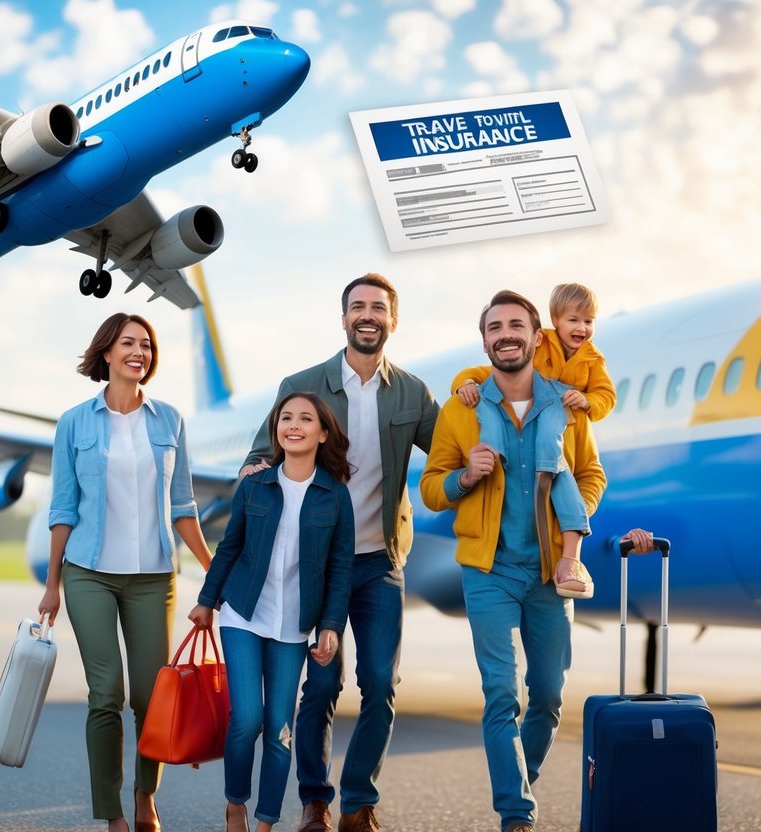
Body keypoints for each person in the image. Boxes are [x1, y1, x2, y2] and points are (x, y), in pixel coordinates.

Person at [240, 274, 439, 832]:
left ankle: (359, 802)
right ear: (344, 317)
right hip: (315, 566)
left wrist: (479, 396)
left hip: (380, 562)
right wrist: (258, 474)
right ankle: (315, 801)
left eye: (378, 307)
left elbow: (449, 451)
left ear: (392, 320)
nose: (368, 315)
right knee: (322, 685)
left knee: (380, 683)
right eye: (358, 307)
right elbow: (260, 456)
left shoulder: (413, 394)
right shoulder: (302, 385)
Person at [420, 290, 607, 832]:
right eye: (495, 327)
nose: (506, 334)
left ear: (535, 335)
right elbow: (432, 488)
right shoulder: (462, 408)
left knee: (547, 696)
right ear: (484, 341)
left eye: (516, 325)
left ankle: (518, 782)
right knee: (502, 692)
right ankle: (516, 815)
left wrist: (571, 507)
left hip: (552, 573)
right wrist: (465, 476)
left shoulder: (567, 404)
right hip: (489, 572)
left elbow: (591, 473)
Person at [39, 312, 214, 832]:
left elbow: (183, 505)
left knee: (151, 695)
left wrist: (212, 569)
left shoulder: (170, 421)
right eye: (129, 343)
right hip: (88, 572)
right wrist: (52, 584)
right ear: (108, 353)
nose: (140, 352)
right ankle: (112, 811)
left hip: (152, 576)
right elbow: (63, 508)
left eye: (147, 345)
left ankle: (145, 796)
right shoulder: (74, 422)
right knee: (107, 693)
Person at [189, 392, 355, 832]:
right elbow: (229, 549)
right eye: (286, 418)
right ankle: (235, 803)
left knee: (280, 730)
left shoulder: (336, 497)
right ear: (276, 430)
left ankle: (265, 823)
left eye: (306, 419)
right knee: (247, 719)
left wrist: (331, 628)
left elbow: (340, 569)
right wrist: (207, 601)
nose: (294, 425)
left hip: (294, 625)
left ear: (323, 434)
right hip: (243, 613)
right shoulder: (254, 485)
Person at [451, 282, 616, 600]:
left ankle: (571, 559)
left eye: (588, 321)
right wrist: (464, 382)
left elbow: (606, 395)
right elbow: (486, 371)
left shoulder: (593, 359)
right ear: (554, 321)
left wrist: (588, 402)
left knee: (558, 473)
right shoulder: (542, 345)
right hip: (532, 419)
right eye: (573, 320)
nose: (581, 328)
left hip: (557, 420)